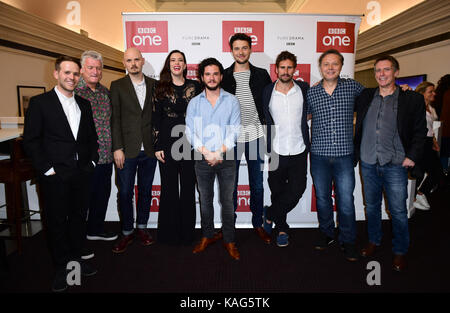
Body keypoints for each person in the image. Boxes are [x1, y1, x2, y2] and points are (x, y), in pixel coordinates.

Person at [23, 56, 99, 292]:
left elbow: (91, 138)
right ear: (56, 74)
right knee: (56, 222)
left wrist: (93, 162)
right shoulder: (40, 103)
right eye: (67, 72)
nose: (72, 77)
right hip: (55, 175)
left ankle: (75, 263)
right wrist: (47, 169)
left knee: (78, 220)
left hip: (81, 173)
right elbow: (31, 141)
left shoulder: (84, 104)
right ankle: (61, 268)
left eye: (76, 73)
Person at [354, 55, 427, 272]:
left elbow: (420, 131)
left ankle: (400, 251)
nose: (381, 74)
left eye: (386, 70)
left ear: (396, 72)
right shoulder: (366, 95)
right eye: (378, 70)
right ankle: (374, 241)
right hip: (368, 162)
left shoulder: (410, 99)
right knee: (372, 206)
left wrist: (412, 156)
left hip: (395, 164)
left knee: (397, 211)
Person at [307, 49, 364, 261]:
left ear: (341, 67)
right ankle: (326, 233)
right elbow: (303, 117)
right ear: (320, 67)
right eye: (326, 64)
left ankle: (348, 240)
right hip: (319, 155)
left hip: (344, 156)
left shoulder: (353, 87)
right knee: (322, 199)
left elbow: (376, 98)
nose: (330, 68)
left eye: (335, 64)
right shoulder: (311, 93)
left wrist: (401, 90)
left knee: (346, 201)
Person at [185, 58, 241, 260]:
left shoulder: (232, 101)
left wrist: (219, 153)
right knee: (205, 200)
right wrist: (207, 153)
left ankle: (229, 239)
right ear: (202, 77)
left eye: (215, 73)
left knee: (227, 201)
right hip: (202, 159)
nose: (211, 77)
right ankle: (207, 235)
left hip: (226, 159)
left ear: (221, 76)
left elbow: (235, 130)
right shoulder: (194, 103)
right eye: (207, 74)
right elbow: (190, 132)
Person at [222, 33, 272, 244]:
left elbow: (271, 103)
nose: (241, 52)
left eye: (244, 48)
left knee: (258, 185)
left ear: (250, 50)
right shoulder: (223, 75)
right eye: (236, 48)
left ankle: (258, 224)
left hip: (256, 137)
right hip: (231, 139)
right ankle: (229, 225)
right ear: (231, 51)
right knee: (230, 186)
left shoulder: (261, 74)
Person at [110, 47, 158, 253]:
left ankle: (142, 228)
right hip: (126, 150)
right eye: (129, 60)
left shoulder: (155, 85)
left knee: (146, 191)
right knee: (126, 192)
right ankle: (127, 231)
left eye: (136, 59)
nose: (133, 63)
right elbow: (115, 119)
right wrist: (117, 147)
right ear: (124, 63)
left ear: (143, 61)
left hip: (149, 150)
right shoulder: (117, 85)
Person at [261, 51, 310, 247]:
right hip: (276, 150)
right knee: (277, 191)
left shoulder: (304, 89)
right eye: (282, 67)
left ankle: (270, 213)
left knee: (298, 189)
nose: (286, 71)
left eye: (290, 67)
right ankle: (281, 229)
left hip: (298, 149)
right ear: (276, 69)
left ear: (295, 69)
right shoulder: (267, 91)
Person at [153, 50, 201, 245]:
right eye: (173, 60)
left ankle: (187, 234)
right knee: (169, 188)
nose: (177, 63)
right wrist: (157, 145)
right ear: (168, 64)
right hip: (167, 142)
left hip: (191, 143)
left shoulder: (196, 86)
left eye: (180, 60)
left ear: (185, 64)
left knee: (189, 188)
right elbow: (155, 117)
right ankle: (168, 234)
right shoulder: (160, 87)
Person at [75, 51, 117, 244]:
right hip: (83, 158)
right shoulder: (73, 92)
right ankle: (77, 237)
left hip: (106, 156)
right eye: (90, 67)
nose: (95, 71)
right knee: (81, 200)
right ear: (82, 69)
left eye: (98, 68)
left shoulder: (105, 92)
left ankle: (95, 229)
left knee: (102, 195)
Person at [413, 81, 443, 210]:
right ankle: (414, 196)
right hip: (419, 142)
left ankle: (419, 193)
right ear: (422, 93)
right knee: (418, 172)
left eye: (433, 91)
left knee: (437, 172)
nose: (434, 94)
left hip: (429, 142)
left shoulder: (431, 108)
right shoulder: (415, 107)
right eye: (430, 91)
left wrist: (434, 142)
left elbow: (430, 127)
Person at [433, 74, 450, 176]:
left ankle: (442, 173)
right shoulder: (448, 94)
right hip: (447, 130)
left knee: (441, 154)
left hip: (438, 130)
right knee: (445, 154)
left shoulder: (438, 94)